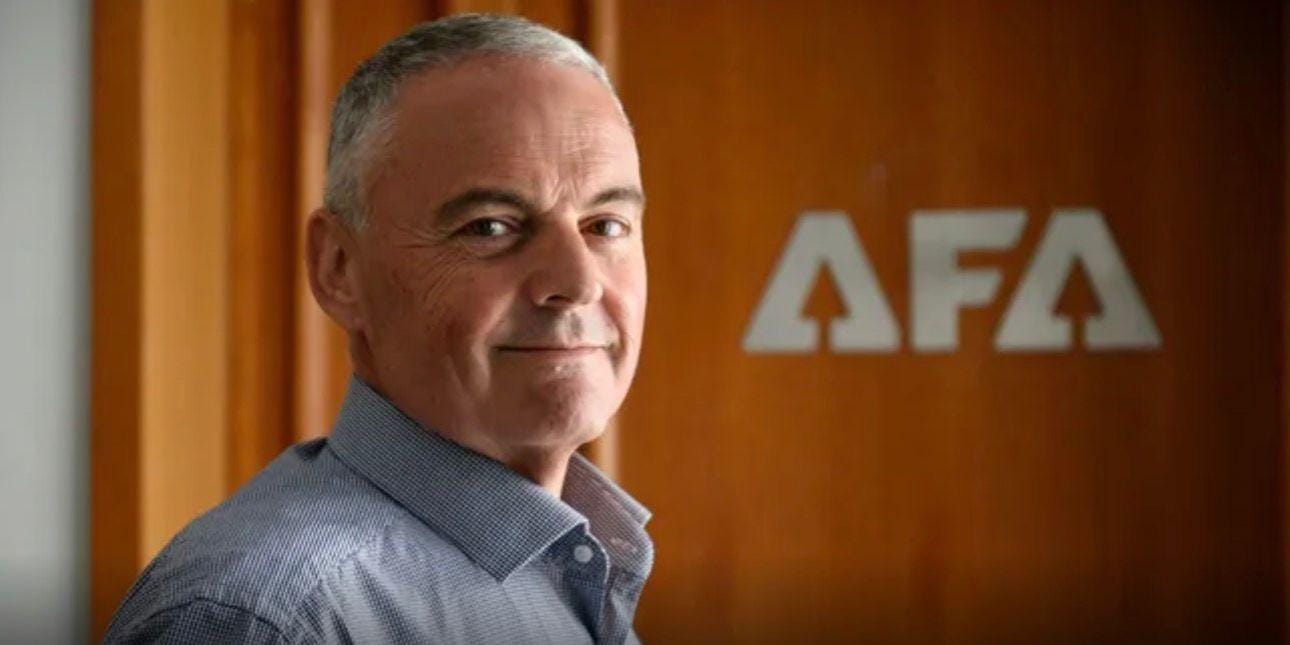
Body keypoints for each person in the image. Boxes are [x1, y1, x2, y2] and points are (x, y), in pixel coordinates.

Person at [104, 13, 652, 644]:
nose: (578, 282)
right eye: (490, 227)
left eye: (606, 225)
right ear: (339, 269)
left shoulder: (570, 564)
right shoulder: (271, 622)